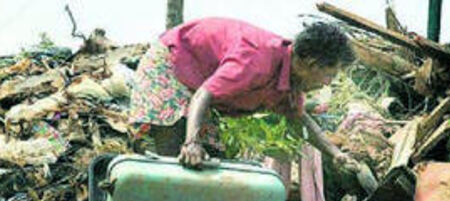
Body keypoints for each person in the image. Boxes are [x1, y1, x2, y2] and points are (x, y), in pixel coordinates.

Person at [129, 17, 361, 172]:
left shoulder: (290, 80)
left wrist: (335, 154)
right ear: (311, 63)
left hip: (197, 83)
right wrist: (191, 142)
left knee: (208, 161)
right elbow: (203, 95)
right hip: (171, 66)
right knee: (177, 159)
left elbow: (299, 119)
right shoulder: (256, 59)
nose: (327, 83)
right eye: (329, 75)